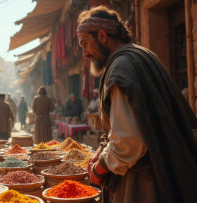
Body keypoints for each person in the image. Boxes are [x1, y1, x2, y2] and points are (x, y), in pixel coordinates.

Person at [77, 6, 197, 203]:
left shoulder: (119, 68)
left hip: (143, 183)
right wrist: (101, 151)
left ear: (102, 35)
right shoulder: (143, 54)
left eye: (85, 43)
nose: (85, 54)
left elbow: (127, 143)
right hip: (167, 170)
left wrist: (100, 167)